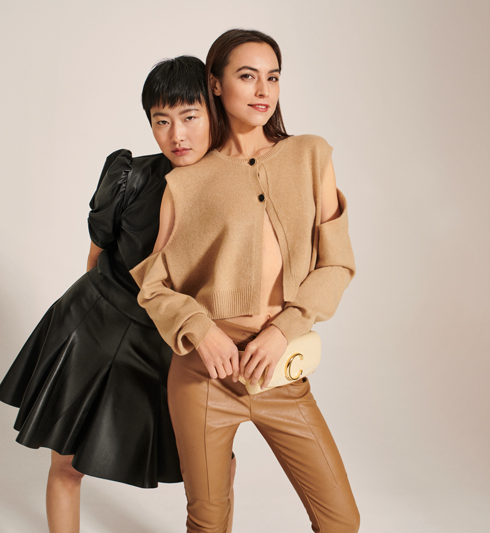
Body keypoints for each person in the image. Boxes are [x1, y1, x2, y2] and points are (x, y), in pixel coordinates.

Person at [131, 29, 360, 532]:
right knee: (208, 522)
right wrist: (200, 330)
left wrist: (284, 329)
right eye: (247, 76)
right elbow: (154, 285)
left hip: (278, 368)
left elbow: (337, 264)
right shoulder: (185, 179)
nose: (263, 90)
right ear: (215, 84)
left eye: (272, 78)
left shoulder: (311, 155)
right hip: (203, 375)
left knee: (341, 520)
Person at [0, 56, 235, 533]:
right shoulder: (130, 176)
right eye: (161, 121)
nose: (177, 135)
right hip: (96, 325)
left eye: (190, 116)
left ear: (214, 110)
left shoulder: (239, 187)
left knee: (213, 466)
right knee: (67, 462)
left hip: (176, 342)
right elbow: (96, 257)